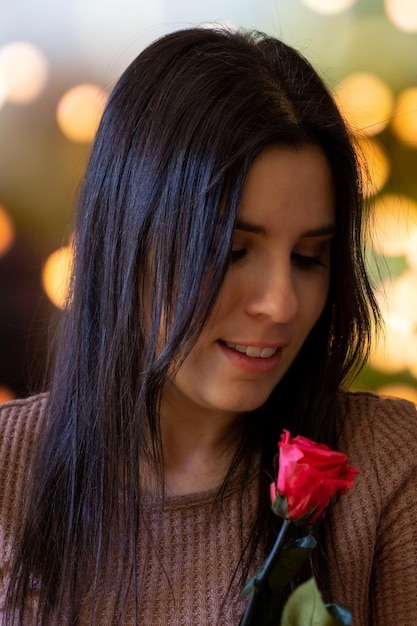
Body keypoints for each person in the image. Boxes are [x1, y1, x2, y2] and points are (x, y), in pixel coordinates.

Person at [0, 26, 416, 626]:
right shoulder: (10, 475)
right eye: (229, 251)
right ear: (126, 243)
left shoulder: (387, 469)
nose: (280, 304)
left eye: (308, 258)